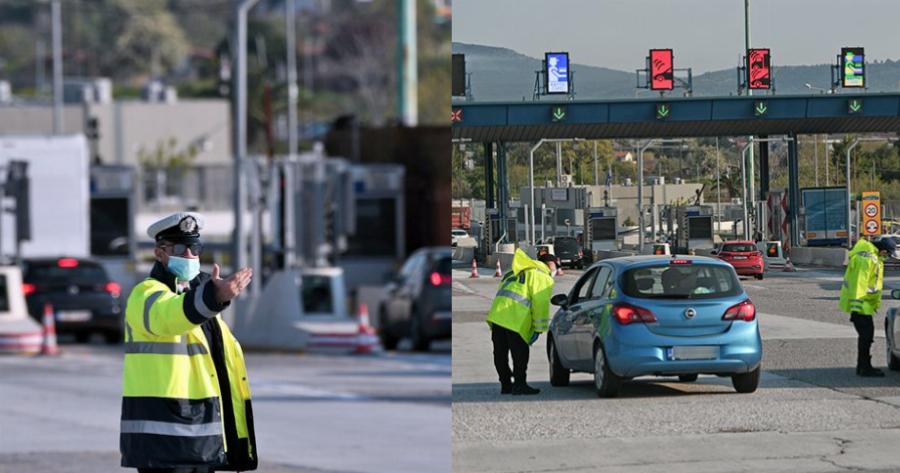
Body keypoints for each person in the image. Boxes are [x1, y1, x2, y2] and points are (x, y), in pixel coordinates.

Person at [120, 212, 258, 472]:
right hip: (165, 443)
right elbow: (172, 315)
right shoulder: (145, 294)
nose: (189, 256)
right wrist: (213, 297)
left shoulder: (203, 301)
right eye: (181, 248)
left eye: (195, 248)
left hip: (198, 440)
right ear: (160, 253)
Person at [486, 249, 555, 395]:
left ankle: (505, 385)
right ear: (550, 265)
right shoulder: (541, 276)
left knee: (500, 352)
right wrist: (538, 328)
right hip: (516, 318)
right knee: (520, 353)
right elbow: (540, 303)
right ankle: (519, 385)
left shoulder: (513, 272)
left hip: (497, 315)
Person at [839, 236, 898, 377]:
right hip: (860, 306)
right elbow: (859, 284)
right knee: (866, 337)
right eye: (888, 254)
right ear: (882, 250)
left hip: (864, 307)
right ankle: (864, 368)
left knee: (866, 337)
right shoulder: (867, 259)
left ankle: (863, 366)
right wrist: (857, 308)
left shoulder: (872, 257)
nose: (888, 257)